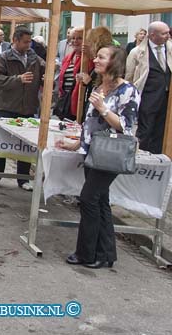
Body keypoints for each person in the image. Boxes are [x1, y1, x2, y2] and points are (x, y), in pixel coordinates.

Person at [59, 46, 140, 269]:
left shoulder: (128, 90)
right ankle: (105, 254)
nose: (95, 60)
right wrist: (77, 142)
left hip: (111, 153)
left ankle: (87, 253)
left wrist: (103, 108)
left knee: (88, 199)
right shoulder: (98, 85)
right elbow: (90, 120)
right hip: (93, 150)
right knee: (100, 200)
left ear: (114, 62)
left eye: (101, 57)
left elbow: (126, 126)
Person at [0, 27, 45, 191]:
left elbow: (47, 76)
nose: (28, 45)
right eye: (25, 42)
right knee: (1, 142)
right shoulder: (3, 58)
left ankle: (23, 178)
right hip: (7, 105)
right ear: (15, 40)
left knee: (26, 146)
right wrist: (18, 79)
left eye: (30, 42)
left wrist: (47, 79)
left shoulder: (35, 59)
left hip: (27, 106)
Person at [126, 21, 171, 154]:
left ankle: (158, 157)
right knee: (145, 131)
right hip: (147, 97)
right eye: (164, 33)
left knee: (162, 131)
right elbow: (129, 76)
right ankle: (141, 157)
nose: (168, 35)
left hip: (167, 99)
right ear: (152, 35)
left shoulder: (170, 48)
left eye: (168, 32)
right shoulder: (137, 52)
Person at [54, 27, 89, 121]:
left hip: (79, 103)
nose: (75, 41)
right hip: (65, 102)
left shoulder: (88, 58)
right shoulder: (68, 57)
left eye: (79, 38)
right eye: (73, 38)